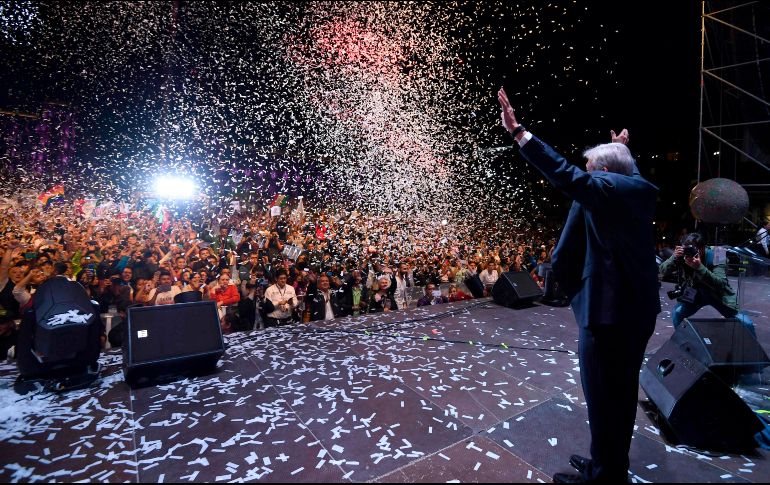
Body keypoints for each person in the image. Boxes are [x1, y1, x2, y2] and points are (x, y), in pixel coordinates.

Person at [498, 87, 660, 483]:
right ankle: (607, 467)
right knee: (618, 397)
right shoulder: (634, 189)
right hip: (634, 313)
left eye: (591, 169)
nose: (586, 174)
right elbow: (627, 170)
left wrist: (520, 134)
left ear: (604, 174)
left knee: (605, 398)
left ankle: (605, 477)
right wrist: (621, 147)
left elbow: (564, 174)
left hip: (609, 315)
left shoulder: (606, 190)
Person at [659, 232, 755, 335]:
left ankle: (752, 347)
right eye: (687, 249)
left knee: (746, 323)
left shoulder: (718, 253)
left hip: (717, 294)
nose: (690, 253)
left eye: (694, 249)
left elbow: (721, 283)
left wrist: (699, 267)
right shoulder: (683, 255)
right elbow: (662, 271)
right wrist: (674, 257)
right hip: (694, 293)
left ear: (703, 247)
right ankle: (688, 343)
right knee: (677, 314)